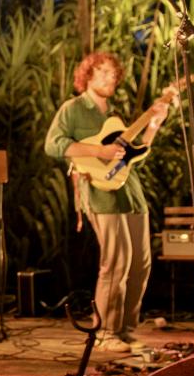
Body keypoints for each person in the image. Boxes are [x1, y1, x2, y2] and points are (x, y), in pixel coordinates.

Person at [44, 52, 170, 353]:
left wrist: (153, 125)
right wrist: (96, 152)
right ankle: (104, 333)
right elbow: (53, 144)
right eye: (101, 71)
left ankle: (125, 330)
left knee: (140, 263)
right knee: (115, 262)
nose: (109, 77)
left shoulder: (113, 115)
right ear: (86, 75)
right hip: (99, 192)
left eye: (113, 73)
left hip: (131, 193)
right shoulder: (73, 108)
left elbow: (133, 156)